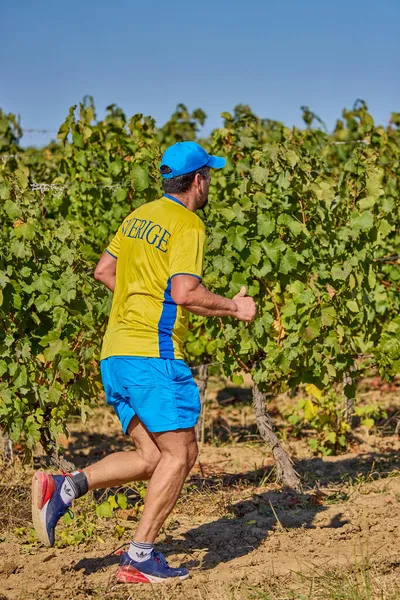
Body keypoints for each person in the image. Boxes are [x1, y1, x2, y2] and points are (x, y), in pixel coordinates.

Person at [31, 141, 257, 584]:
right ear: (197, 180)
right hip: (152, 354)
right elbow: (185, 294)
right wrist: (235, 307)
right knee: (182, 453)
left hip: (115, 351)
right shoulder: (187, 223)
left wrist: (138, 304)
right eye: (208, 175)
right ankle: (139, 557)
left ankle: (64, 487)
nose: (209, 182)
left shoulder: (137, 217)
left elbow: (103, 271)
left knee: (153, 455)